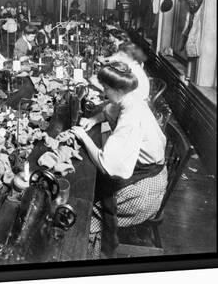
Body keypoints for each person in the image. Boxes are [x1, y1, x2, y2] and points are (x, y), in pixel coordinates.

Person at [71, 61, 167, 258]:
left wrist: (83, 136)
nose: (104, 93)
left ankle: (90, 256)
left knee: (86, 210)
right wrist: (92, 120)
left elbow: (108, 166)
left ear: (117, 88)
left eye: (106, 88)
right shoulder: (131, 99)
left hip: (145, 192)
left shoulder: (131, 117)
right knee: (93, 188)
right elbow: (109, 108)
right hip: (147, 173)